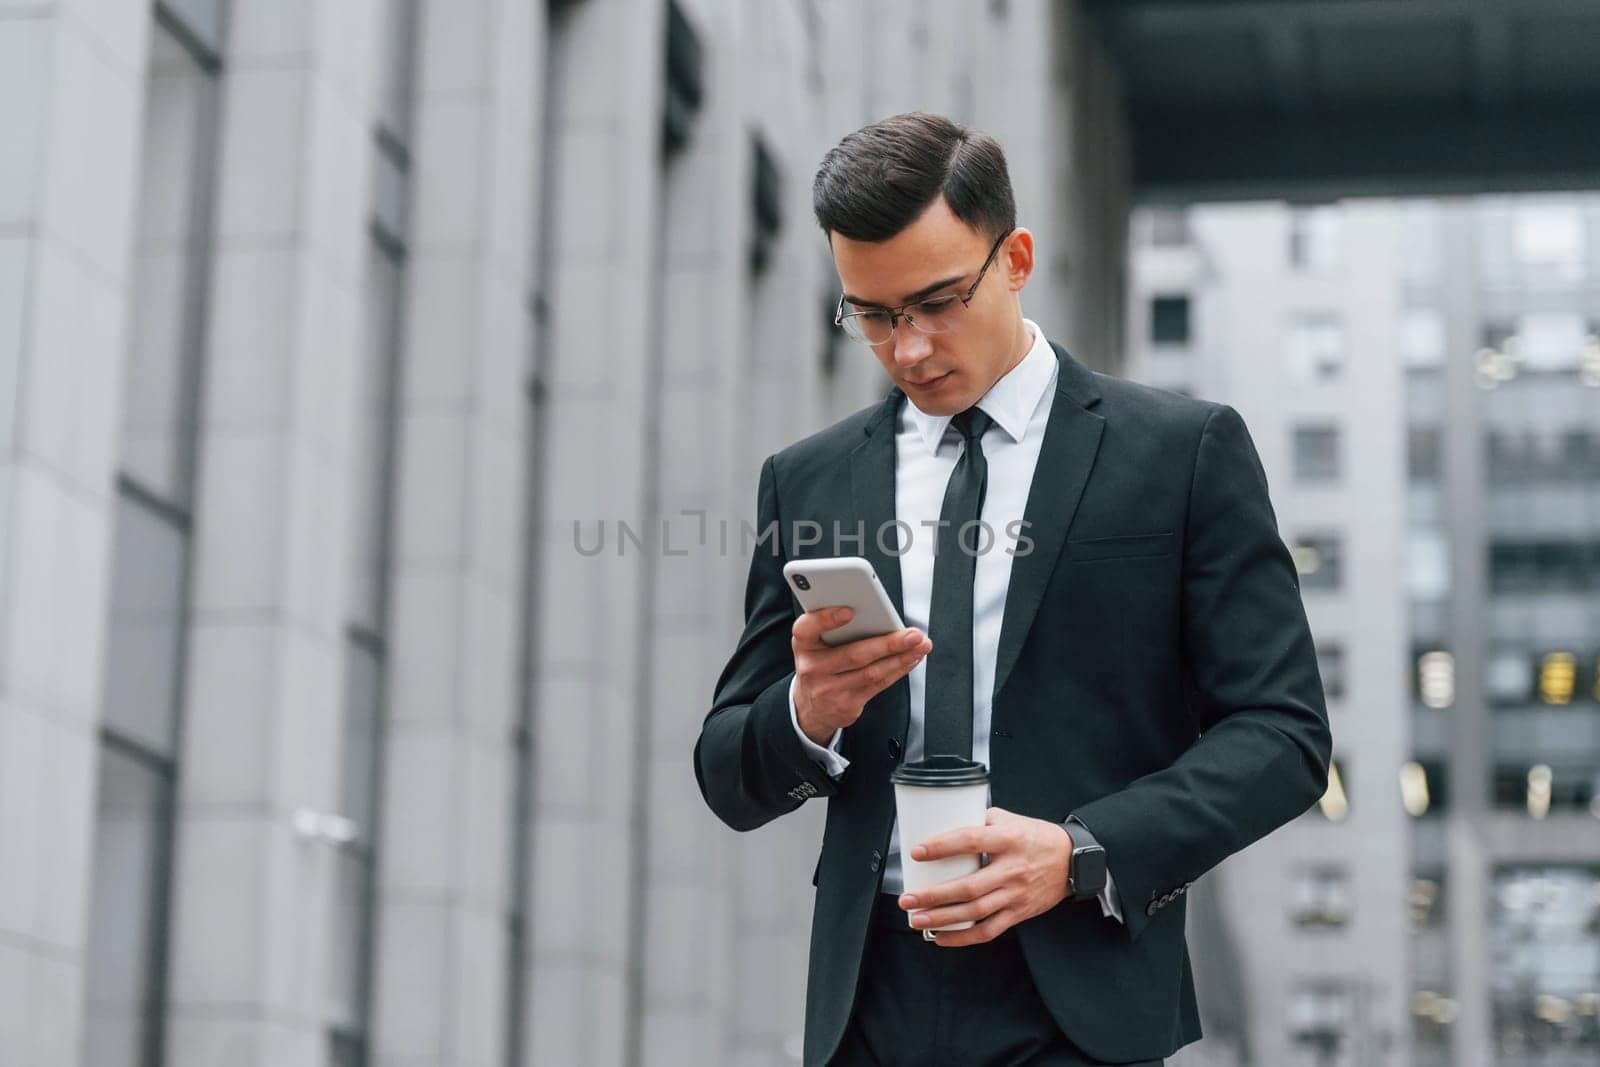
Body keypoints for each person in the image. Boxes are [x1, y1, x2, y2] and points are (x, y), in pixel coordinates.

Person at [693, 112, 1332, 1067]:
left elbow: (1284, 736)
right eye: (873, 314)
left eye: (939, 301)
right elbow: (726, 769)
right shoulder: (810, 480)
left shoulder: (1182, 455)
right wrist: (808, 711)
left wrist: (1082, 851)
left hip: (1080, 994)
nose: (908, 349)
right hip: (868, 1001)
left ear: (1017, 258)